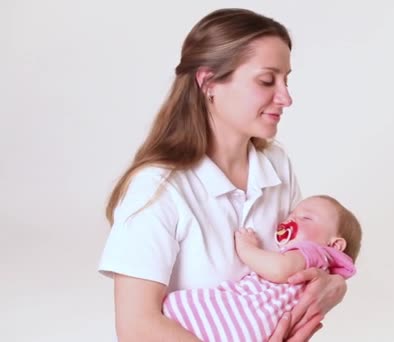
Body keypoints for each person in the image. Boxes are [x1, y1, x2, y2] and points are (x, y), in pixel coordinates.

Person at [97, 8, 348, 342]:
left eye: (286, 79)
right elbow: (137, 329)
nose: (286, 97)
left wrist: (335, 285)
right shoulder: (156, 189)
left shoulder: (277, 167)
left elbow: (303, 261)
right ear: (209, 82)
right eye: (266, 80)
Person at [162, 195, 362, 342]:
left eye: (306, 218)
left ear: (335, 245)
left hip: (248, 317)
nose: (292, 220)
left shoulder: (314, 252)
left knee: (174, 306)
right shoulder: (322, 273)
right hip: (262, 331)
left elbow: (280, 269)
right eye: (292, 215)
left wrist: (247, 248)